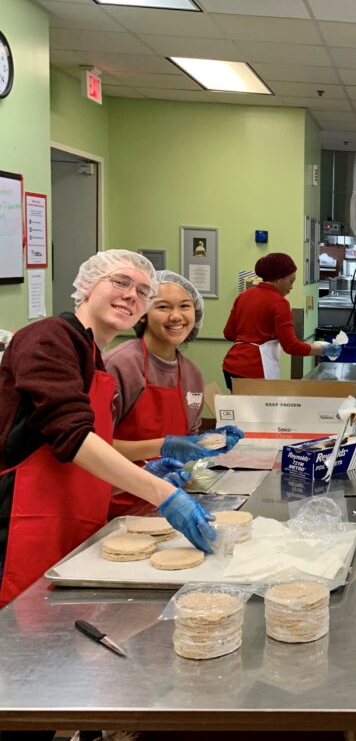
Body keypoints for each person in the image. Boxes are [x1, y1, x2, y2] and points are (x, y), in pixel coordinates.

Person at [0, 250, 216, 607]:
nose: (132, 294)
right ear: (87, 286)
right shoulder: (49, 338)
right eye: (120, 282)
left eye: (143, 291)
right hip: (24, 525)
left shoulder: (93, 356)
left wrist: (143, 474)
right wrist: (162, 493)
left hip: (74, 524)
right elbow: (74, 439)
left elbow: (72, 465)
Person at [105, 271, 243, 518]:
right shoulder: (120, 365)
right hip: (117, 505)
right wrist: (165, 446)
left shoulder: (191, 373)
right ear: (143, 313)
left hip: (169, 502)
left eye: (185, 306)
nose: (176, 316)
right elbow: (95, 447)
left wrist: (207, 443)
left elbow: (186, 439)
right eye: (163, 307)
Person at [222, 253, 326, 389]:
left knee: (240, 409)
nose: (292, 287)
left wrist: (249, 337)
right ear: (278, 279)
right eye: (291, 281)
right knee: (260, 410)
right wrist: (322, 350)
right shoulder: (279, 303)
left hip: (230, 367)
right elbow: (291, 346)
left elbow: (228, 333)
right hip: (255, 370)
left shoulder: (244, 296)